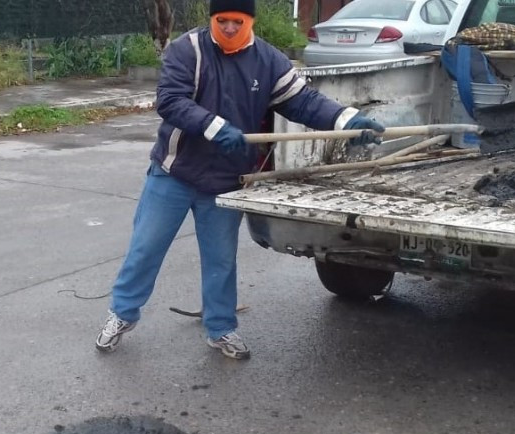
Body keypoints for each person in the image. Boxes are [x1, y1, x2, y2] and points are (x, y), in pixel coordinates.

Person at [95, 0, 384, 360]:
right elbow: (170, 101)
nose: (229, 28)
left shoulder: (269, 60)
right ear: (212, 19)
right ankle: (122, 315)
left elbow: (303, 102)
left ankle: (221, 329)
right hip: (175, 172)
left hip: (226, 180)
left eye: (238, 21)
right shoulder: (189, 50)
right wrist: (214, 127)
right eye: (222, 20)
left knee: (221, 261)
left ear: (250, 21)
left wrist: (346, 120)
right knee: (145, 249)